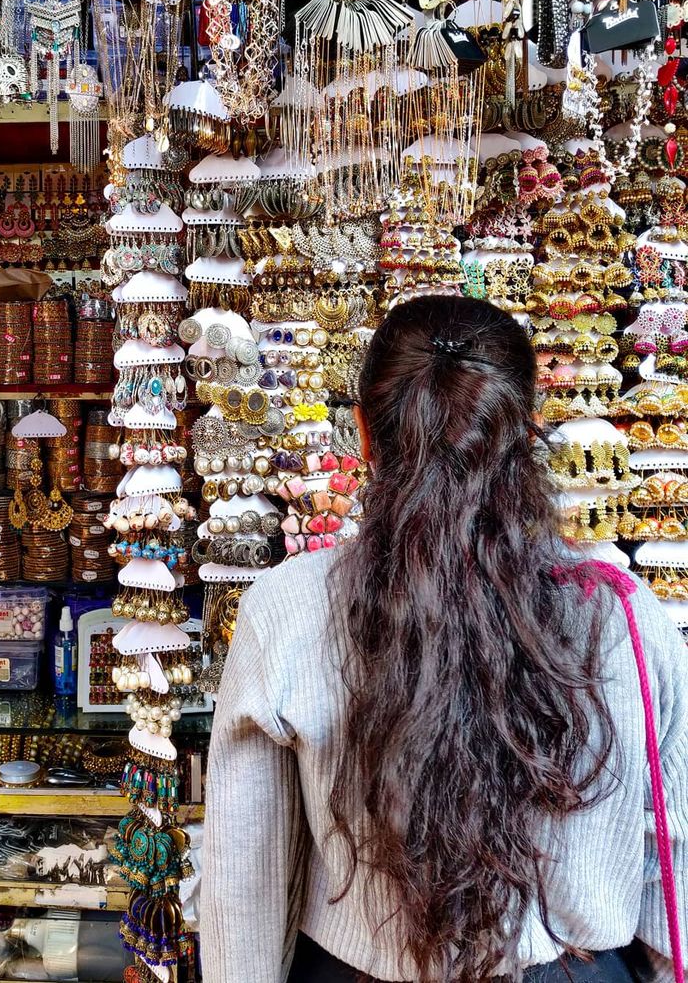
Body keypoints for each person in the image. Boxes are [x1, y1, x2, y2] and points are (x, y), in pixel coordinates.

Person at [200, 295, 688, 983]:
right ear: (526, 435)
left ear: (364, 436)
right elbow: (670, 853)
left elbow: (244, 876)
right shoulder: (626, 616)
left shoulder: (287, 610)